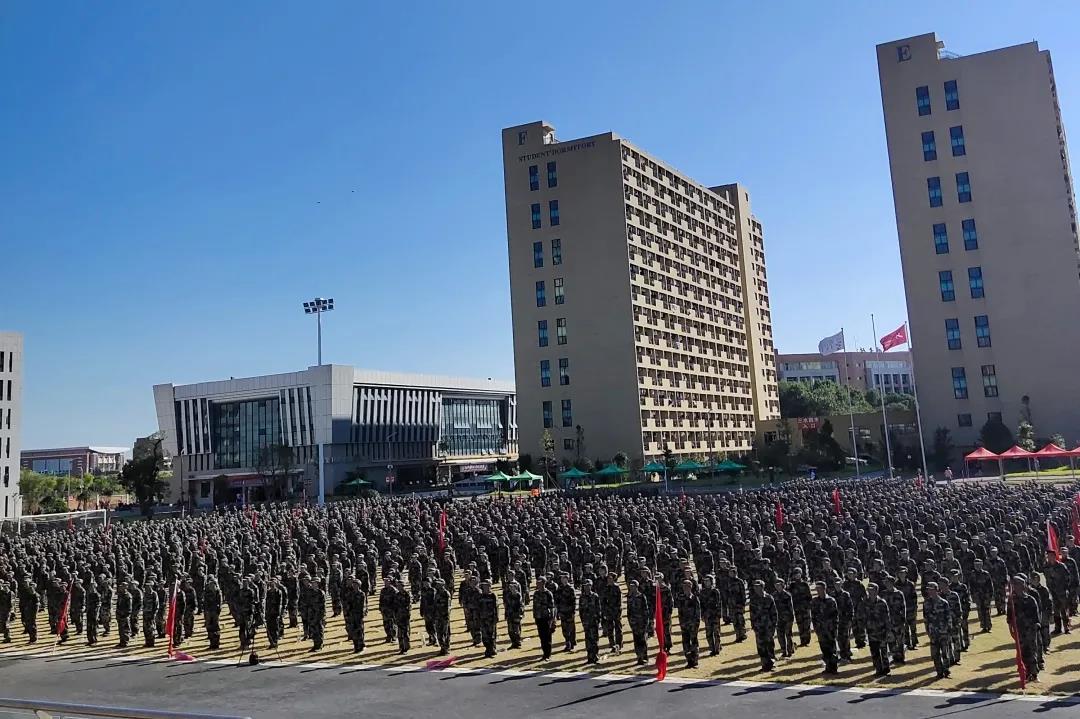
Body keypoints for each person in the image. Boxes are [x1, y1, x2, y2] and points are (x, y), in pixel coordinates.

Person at [923, 582, 952, 679]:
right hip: (933, 632)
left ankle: (946, 670)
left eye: (932, 590)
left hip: (943, 632)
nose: (930, 592)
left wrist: (949, 630)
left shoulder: (944, 603)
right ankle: (939, 672)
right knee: (935, 654)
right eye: (929, 590)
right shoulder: (926, 603)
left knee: (945, 653)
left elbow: (948, 618)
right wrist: (927, 630)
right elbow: (926, 618)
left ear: (937, 590)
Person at [863, 583, 891, 676]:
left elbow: (887, 618)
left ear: (876, 591)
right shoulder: (865, 602)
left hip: (881, 631)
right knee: (874, 651)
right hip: (871, 631)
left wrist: (888, 631)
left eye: (872, 590)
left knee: (883, 651)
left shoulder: (882, 603)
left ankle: (886, 669)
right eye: (869, 590)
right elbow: (862, 616)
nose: (870, 592)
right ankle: (878, 670)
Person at [810, 581, 838, 675]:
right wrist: (815, 627)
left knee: (832, 649)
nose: (818, 591)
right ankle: (827, 667)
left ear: (824, 589)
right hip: (820, 629)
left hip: (830, 629)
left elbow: (835, 616)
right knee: (824, 649)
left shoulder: (831, 600)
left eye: (820, 589)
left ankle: (833, 668)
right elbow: (813, 616)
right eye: (817, 589)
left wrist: (834, 628)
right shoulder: (814, 601)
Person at [748, 579, 776, 671]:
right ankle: (764, 664)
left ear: (762, 587)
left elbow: (774, 613)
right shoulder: (753, 599)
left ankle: (771, 664)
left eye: (758, 587)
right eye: (755, 587)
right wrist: (753, 625)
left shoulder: (769, 598)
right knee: (761, 646)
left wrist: (773, 625)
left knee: (770, 645)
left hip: (768, 626)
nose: (756, 588)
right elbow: (752, 613)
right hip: (758, 627)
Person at [676, 578, 701, 668]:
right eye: (684, 587)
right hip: (684, 624)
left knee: (694, 642)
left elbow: (698, 613)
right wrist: (681, 623)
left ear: (690, 587)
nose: (685, 588)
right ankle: (689, 660)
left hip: (693, 624)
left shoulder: (694, 598)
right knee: (685, 643)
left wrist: (696, 624)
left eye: (687, 587)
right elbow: (679, 612)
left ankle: (695, 661)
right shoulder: (681, 598)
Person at [532, 576, 556, 660]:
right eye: (537, 583)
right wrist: (535, 617)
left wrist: (552, 620)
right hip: (539, 617)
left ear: (544, 584)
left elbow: (552, 607)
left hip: (546, 618)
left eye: (540, 583)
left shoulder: (548, 593)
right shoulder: (536, 593)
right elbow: (534, 606)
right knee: (541, 636)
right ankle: (544, 653)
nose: (538, 585)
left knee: (547, 637)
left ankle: (547, 654)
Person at [626, 580, 650, 665]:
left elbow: (646, 610)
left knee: (643, 640)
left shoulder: (642, 596)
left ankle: (644, 657)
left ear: (637, 586)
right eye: (631, 586)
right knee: (636, 640)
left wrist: (646, 623)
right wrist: (630, 621)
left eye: (633, 586)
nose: (632, 588)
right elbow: (628, 611)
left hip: (641, 622)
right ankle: (639, 657)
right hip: (634, 622)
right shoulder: (629, 597)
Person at [578, 579, 602, 664]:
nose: (586, 587)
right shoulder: (582, 597)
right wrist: (583, 621)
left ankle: (595, 657)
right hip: (586, 622)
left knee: (594, 640)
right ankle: (589, 658)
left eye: (588, 586)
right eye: (585, 586)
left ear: (591, 586)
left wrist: (598, 620)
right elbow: (580, 610)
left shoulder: (595, 596)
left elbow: (598, 609)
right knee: (588, 640)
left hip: (594, 621)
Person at [700, 574, 722, 656]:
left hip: (715, 615)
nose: (706, 583)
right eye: (705, 581)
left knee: (716, 633)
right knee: (709, 633)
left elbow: (719, 603)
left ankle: (717, 649)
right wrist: (702, 615)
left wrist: (719, 614)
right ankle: (712, 649)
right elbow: (701, 605)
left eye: (708, 581)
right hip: (707, 616)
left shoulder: (715, 591)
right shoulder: (702, 592)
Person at [773, 578, 795, 658]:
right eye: (776, 585)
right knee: (780, 635)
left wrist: (791, 618)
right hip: (778, 619)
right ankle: (783, 651)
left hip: (787, 618)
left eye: (779, 585)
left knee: (788, 635)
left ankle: (790, 650)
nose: (777, 587)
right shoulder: (774, 596)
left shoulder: (787, 595)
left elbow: (791, 608)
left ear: (783, 586)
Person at [477, 580, 499, 658]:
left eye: (486, 586)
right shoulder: (480, 596)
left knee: (492, 635)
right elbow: (478, 607)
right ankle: (488, 649)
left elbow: (496, 608)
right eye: (483, 586)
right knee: (485, 635)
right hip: (483, 618)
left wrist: (496, 618)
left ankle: (491, 650)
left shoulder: (493, 595)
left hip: (491, 619)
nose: (485, 588)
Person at [556, 572, 577, 652]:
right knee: (564, 629)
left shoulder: (571, 589)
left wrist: (573, 611)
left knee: (571, 628)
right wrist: (558, 611)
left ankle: (572, 643)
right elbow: (557, 600)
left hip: (569, 611)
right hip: (562, 611)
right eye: (562, 579)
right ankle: (567, 643)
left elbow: (573, 601)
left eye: (565, 579)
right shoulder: (560, 588)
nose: (563, 580)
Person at [504, 579, 524, 649]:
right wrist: (506, 614)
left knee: (517, 629)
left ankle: (518, 643)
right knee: (510, 630)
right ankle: (513, 642)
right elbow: (507, 605)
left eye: (513, 587)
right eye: (510, 588)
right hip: (510, 615)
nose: (511, 589)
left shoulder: (518, 596)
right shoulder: (508, 595)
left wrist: (520, 614)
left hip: (516, 615)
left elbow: (521, 605)